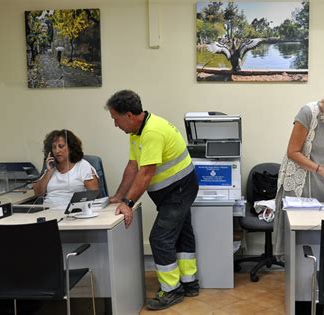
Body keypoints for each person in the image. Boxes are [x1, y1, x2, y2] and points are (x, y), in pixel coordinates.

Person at [105, 90, 199, 310]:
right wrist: (119, 195)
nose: (115, 125)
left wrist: (127, 204)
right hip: (174, 190)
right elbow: (133, 166)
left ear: (128, 115)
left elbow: (146, 173)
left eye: (115, 119)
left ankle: (171, 290)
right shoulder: (136, 132)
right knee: (183, 234)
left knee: (159, 238)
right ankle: (189, 283)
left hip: (180, 189)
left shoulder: (152, 132)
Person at [273, 83, 324, 256]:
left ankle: (319, 277)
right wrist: (319, 169)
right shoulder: (308, 113)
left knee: (322, 238)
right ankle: (296, 279)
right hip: (300, 183)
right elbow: (292, 152)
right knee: (297, 241)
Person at [33, 129, 99, 209]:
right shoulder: (51, 168)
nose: (57, 151)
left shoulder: (83, 166)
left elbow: (94, 195)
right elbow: (38, 194)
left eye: (61, 146)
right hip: (48, 212)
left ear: (71, 148)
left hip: (73, 213)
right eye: (54, 147)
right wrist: (48, 172)